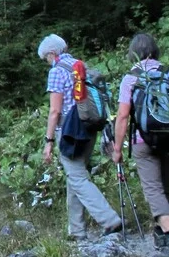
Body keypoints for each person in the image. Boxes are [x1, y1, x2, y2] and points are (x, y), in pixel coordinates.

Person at [112, 33, 169, 257]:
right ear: (155, 50)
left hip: (143, 141)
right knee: (163, 188)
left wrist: (117, 148)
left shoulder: (131, 78)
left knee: (153, 189)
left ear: (132, 52)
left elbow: (123, 116)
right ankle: (163, 239)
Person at [40, 34, 122, 240]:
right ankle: (76, 230)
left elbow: (55, 111)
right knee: (75, 176)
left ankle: (110, 220)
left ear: (51, 53)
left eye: (45, 58)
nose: (46, 63)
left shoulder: (57, 71)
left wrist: (48, 141)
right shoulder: (80, 66)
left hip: (69, 131)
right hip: (88, 126)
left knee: (77, 177)